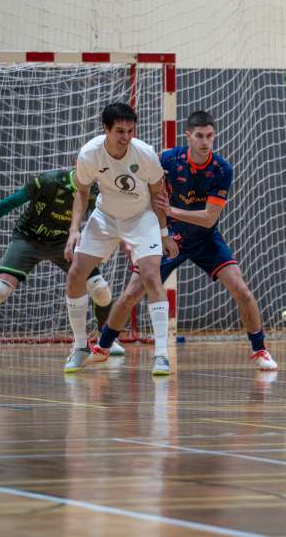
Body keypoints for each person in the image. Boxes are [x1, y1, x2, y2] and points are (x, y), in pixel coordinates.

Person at [109, 110, 277, 371]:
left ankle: (260, 350)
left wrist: (171, 209)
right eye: (199, 136)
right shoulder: (166, 159)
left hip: (204, 237)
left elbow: (209, 219)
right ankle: (102, 346)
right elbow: (142, 196)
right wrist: (131, 234)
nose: (205, 142)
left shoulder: (222, 169)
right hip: (168, 234)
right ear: (188, 136)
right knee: (132, 291)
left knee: (241, 290)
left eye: (210, 136)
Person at [0, 168, 124, 358]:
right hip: (28, 240)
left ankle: (105, 339)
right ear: (78, 163)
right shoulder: (48, 181)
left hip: (63, 242)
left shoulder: (95, 192)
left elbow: (108, 217)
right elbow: (13, 201)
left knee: (99, 288)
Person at [63, 102, 178, 376]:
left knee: (151, 276)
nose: (126, 137)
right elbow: (81, 191)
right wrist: (74, 229)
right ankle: (80, 347)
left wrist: (163, 234)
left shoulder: (145, 153)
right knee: (76, 274)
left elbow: (158, 194)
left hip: (141, 218)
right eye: (119, 131)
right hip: (105, 217)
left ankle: (162, 354)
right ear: (106, 129)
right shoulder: (90, 154)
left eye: (130, 130)